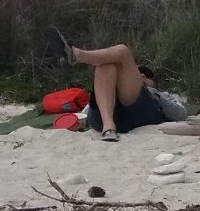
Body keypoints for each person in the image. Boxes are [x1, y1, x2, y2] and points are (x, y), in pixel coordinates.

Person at [48, 28, 186, 141]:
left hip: (142, 114)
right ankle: (109, 128)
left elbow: (180, 114)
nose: (142, 75)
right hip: (104, 120)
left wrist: (154, 95)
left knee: (122, 51)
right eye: (139, 73)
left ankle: (76, 55)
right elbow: (87, 112)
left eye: (147, 76)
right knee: (106, 67)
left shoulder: (163, 95)